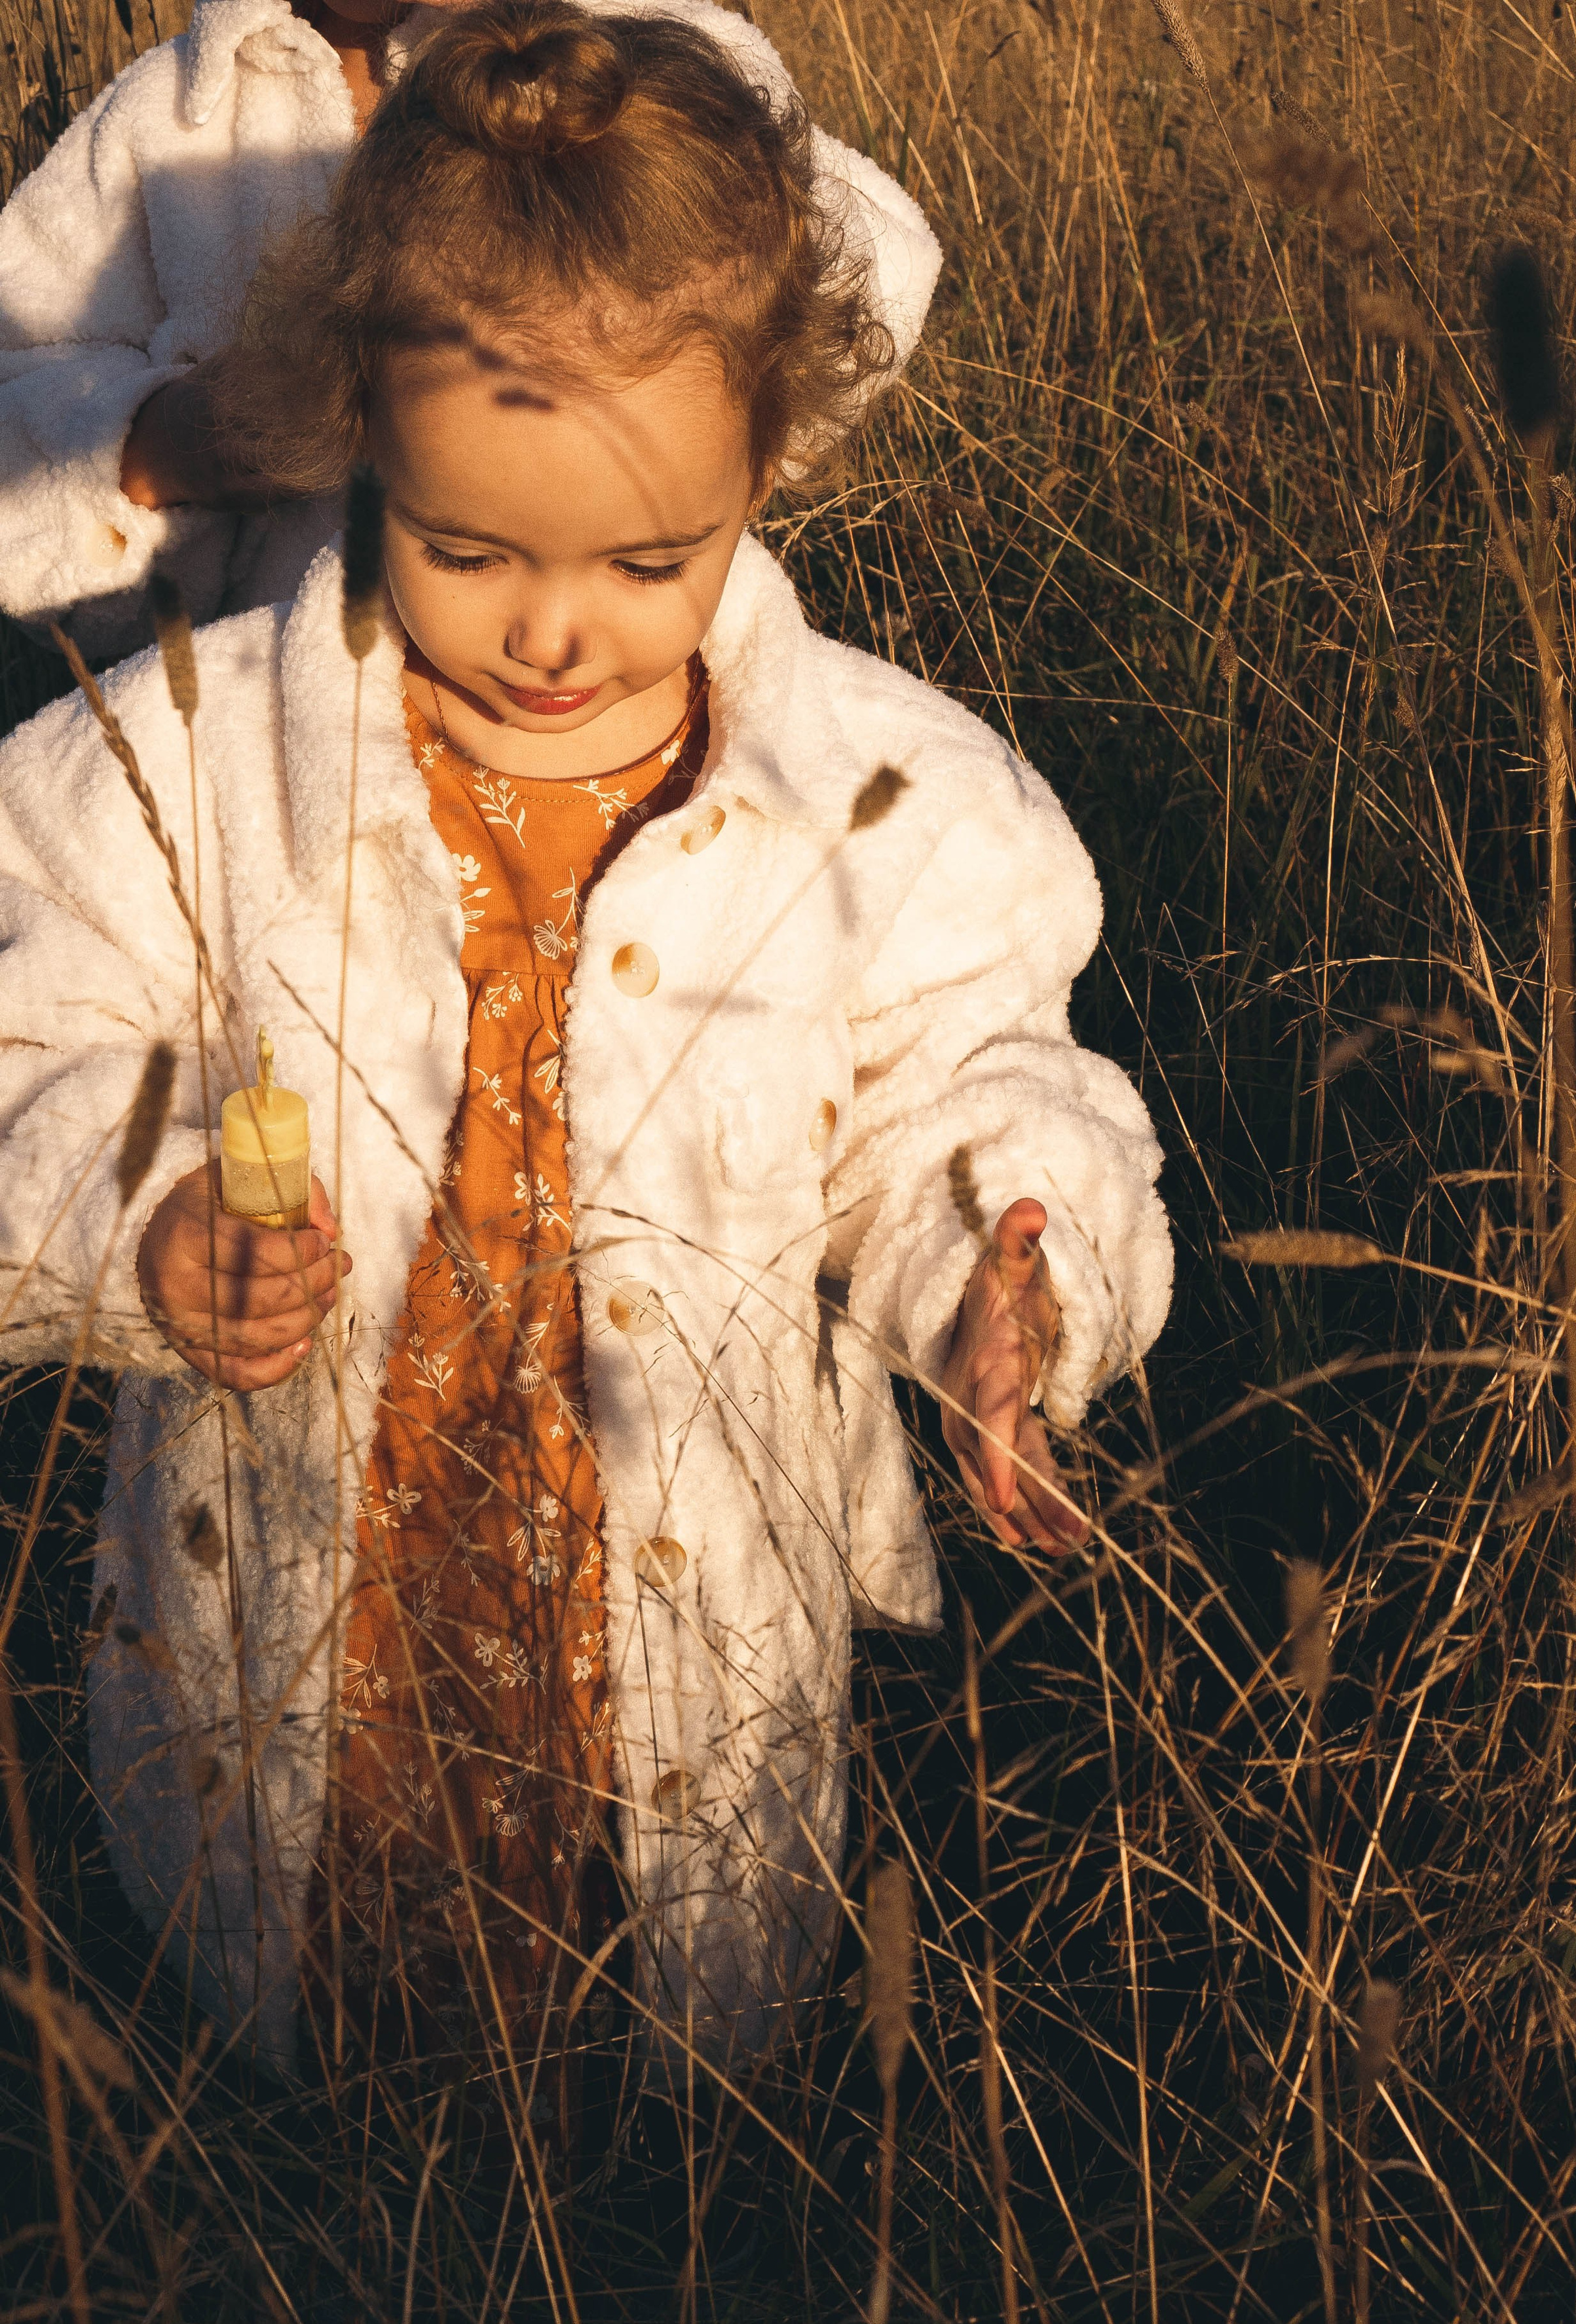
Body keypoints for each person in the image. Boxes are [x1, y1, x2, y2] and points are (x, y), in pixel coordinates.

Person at [0, 0, 1172, 2093]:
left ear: (768, 458)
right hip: (312, 1604)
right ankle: (318, 2165)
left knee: (669, 2062)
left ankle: (656, 2198)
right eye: (468, 550)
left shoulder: (882, 798)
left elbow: (969, 1083)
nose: (554, 632)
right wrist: (142, 1223)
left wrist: (1010, 1268)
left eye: (648, 561)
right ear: (360, 433)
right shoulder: (184, 769)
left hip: (679, 1603)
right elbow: (27, 1035)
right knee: (309, 2040)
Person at [0, 0, 933, 665]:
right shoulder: (175, 117)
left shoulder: (654, 57)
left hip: (616, 697)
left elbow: (875, 274)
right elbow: (20, 365)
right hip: (280, 712)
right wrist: (164, 447)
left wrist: (572, 59)